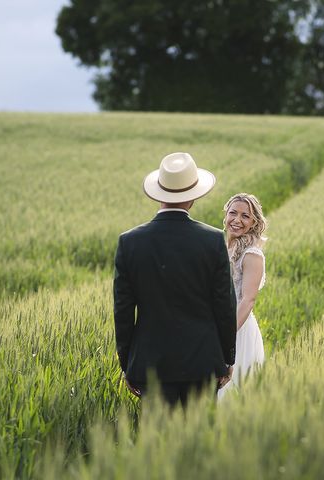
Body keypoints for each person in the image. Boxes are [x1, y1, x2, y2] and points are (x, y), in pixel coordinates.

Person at [113, 152, 237, 408]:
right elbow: (224, 305)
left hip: (150, 364)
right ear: (192, 197)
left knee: (157, 445)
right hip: (203, 361)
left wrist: (127, 364)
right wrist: (227, 358)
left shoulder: (130, 242)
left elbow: (123, 311)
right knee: (197, 442)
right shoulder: (212, 240)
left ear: (159, 194)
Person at [217, 193, 267, 400]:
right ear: (225, 215)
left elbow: (248, 300)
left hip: (238, 331)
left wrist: (225, 336)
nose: (237, 220)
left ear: (254, 222)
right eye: (233, 213)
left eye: (245, 216)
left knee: (233, 396)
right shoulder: (224, 248)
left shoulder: (252, 255)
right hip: (217, 326)